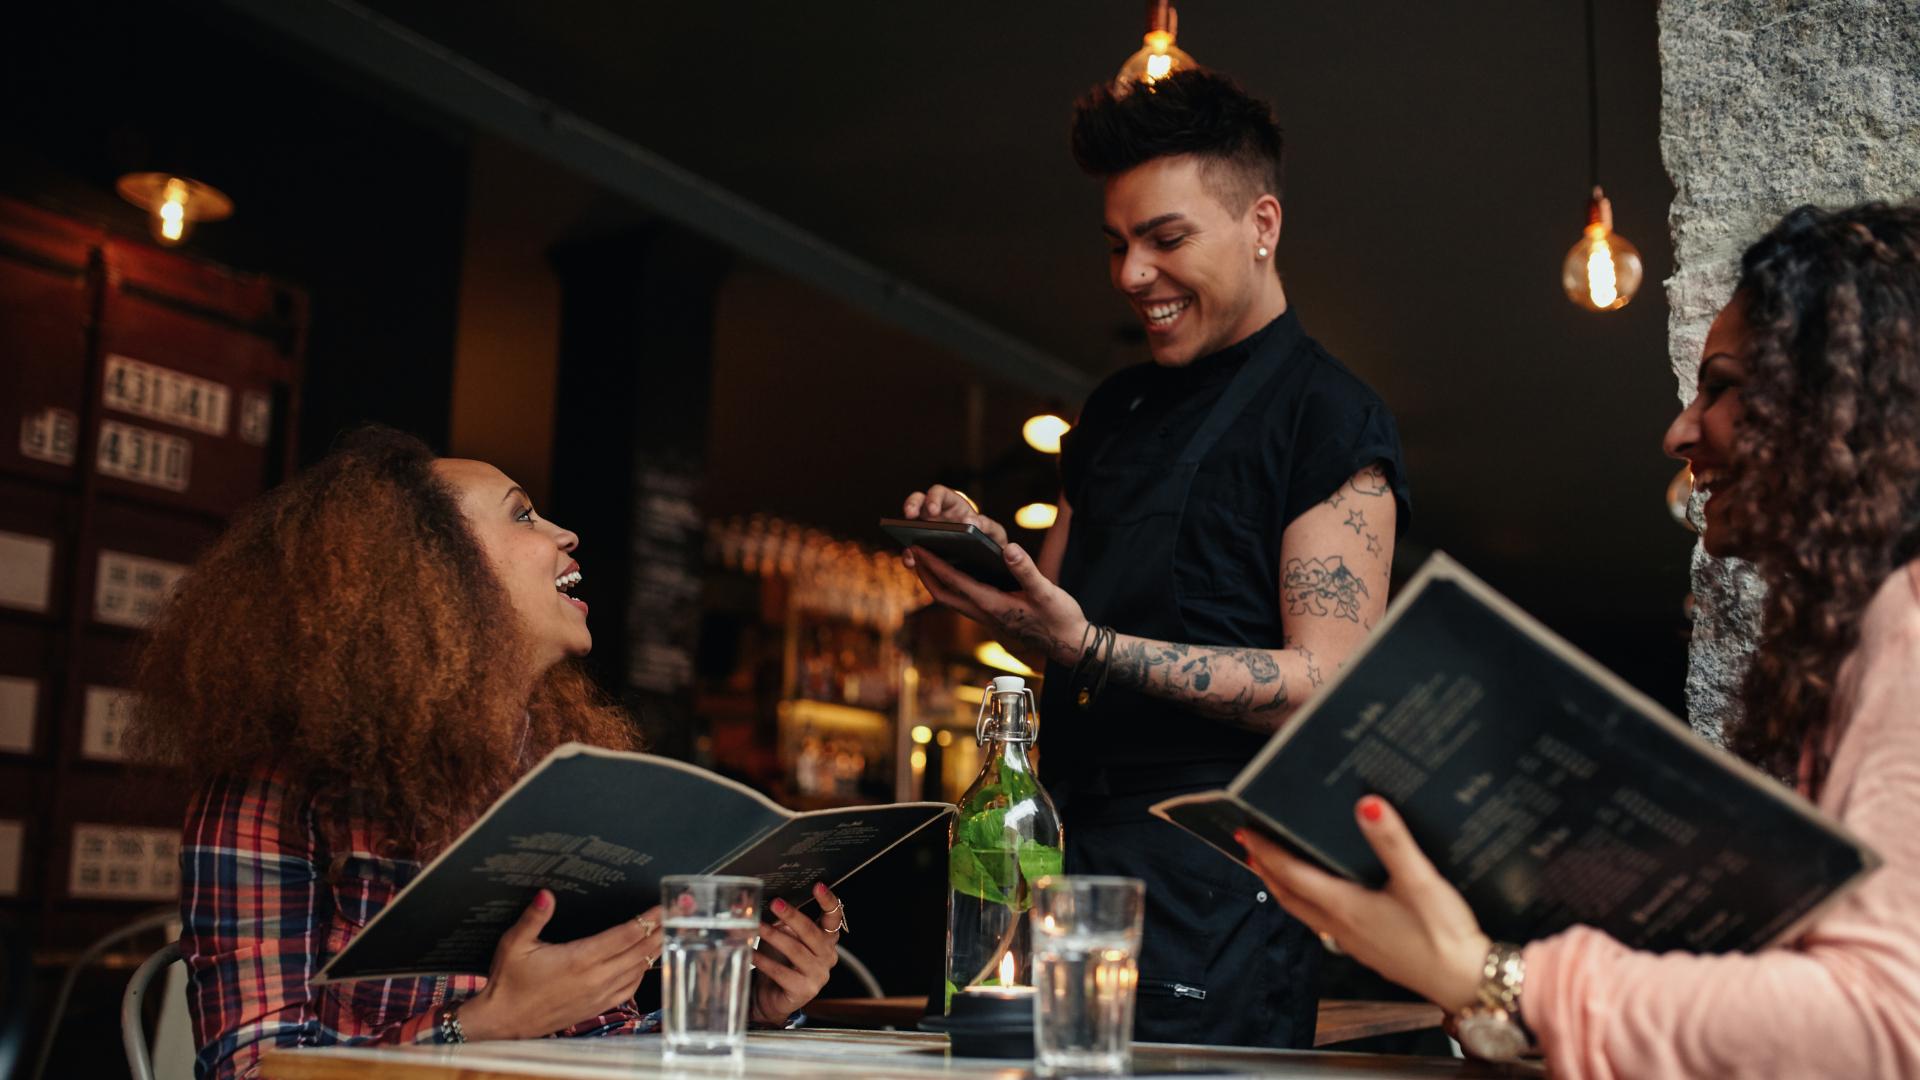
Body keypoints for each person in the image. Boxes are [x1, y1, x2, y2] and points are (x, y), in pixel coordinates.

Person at [1239, 201, 1920, 1076]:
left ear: (1831, 403)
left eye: (1719, 387)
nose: (1679, 432)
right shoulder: (1860, 633)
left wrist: (1500, 978)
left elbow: (1887, 1023)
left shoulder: (1905, 628)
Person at [902, 69, 1412, 1048]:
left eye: (1166, 240)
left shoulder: (1330, 416)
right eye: (1118, 244)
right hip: (1053, 864)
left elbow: (1327, 682)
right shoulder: (1111, 414)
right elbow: (1055, 622)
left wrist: (1087, 643)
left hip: (1218, 883)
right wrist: (988, 575)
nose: (1131, 273)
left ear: (1262, 223)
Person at [127, 428, 845, 1079]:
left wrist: (751, 1008)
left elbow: (602, 1044)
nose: (566, 533)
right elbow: (249, 1069)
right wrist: (487, 1026)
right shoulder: (275, 782)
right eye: (523, 514)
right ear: (427, 570)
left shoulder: (563, 765)